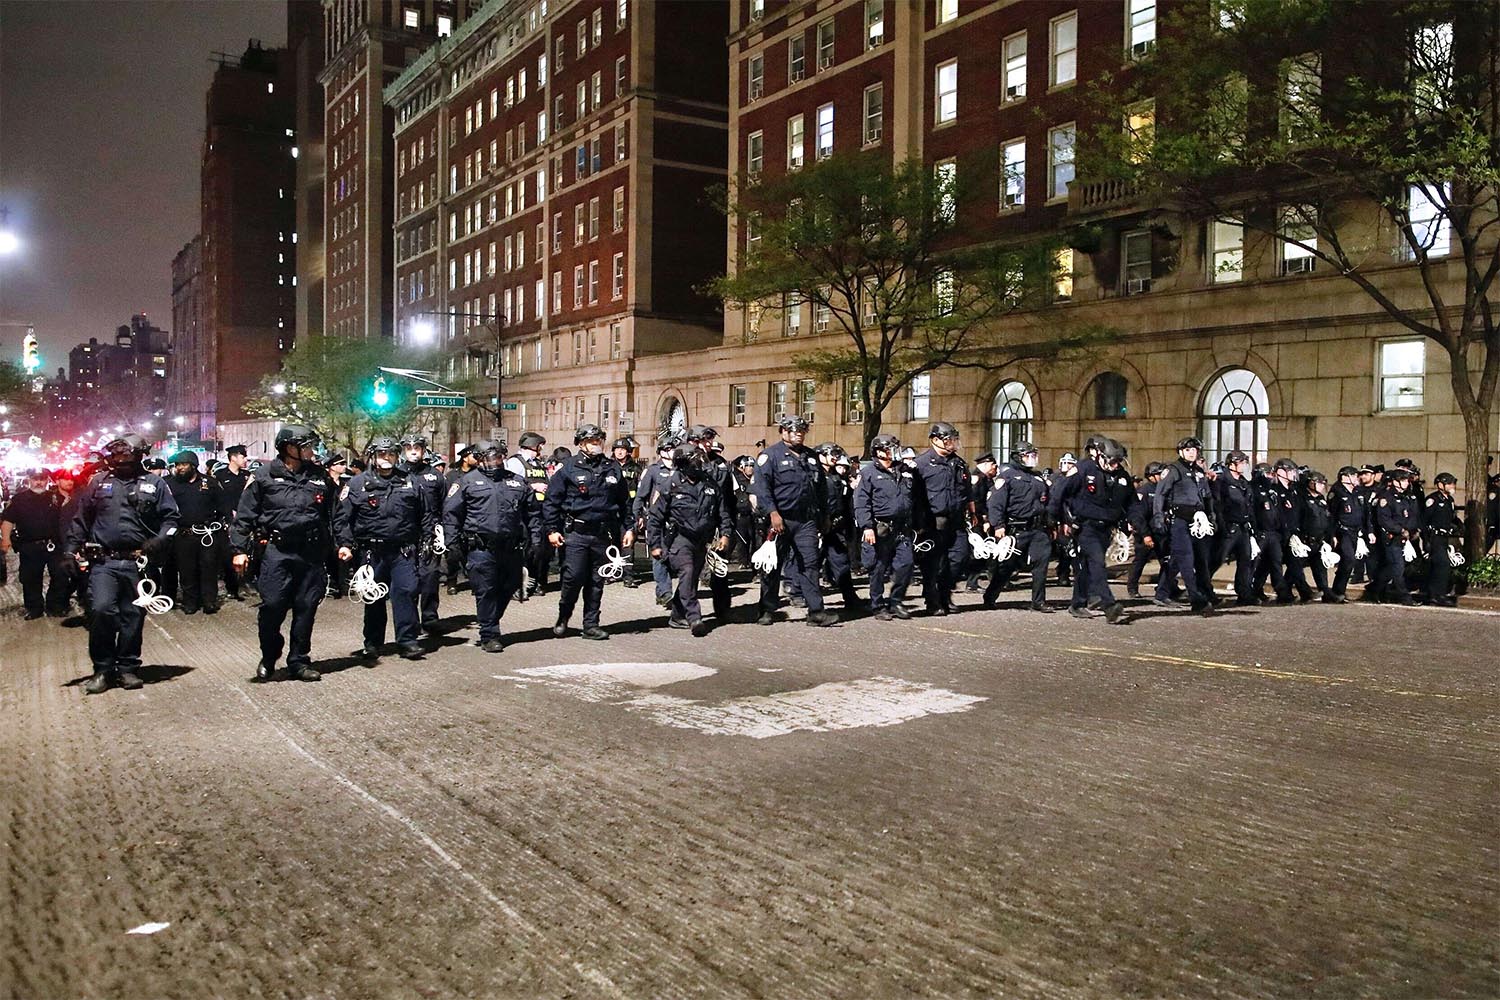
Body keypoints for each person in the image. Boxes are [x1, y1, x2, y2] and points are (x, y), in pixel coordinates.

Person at [65, 435, 181, 694]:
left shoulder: (155, 483)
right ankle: (103, 669)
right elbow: (80, 520)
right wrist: (69, 551)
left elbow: (171, 520)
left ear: (139, 455)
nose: (118, 461)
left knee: (132, 616)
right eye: (115, 456)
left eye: (124, 456)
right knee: (101, 610)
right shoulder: (98, 482)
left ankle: (127, 667)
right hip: (104, 562)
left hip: (137, 563)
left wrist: (159, 541)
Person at [231, 425, 336, 682]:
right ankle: (269, 655)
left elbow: (336, 514)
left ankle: (299, 661)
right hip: (277, 551)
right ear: (290, 448)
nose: (312, 451)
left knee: (306, 607)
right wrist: (239, 549)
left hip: (310, 553)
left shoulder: (320, 476)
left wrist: (343, 543)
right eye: (307, 446)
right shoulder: (264, 476)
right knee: (273, 605)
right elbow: (245, 515)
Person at [336, 437, 433, 662]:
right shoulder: (357, 483)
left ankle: (408, 641)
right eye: (381, 454)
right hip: (371, 552)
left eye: (390, 454)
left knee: (407, 592)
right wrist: (345, 544)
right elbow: (342, 518)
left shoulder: (410, 481)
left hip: (403, 551)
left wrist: (428, 539)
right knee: (373, 598)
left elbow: (425, 513)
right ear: (373, 456)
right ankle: (372, 643)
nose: (386, 458)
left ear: (396, 455)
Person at [444, 440, 541, 651]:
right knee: (486, 590)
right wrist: (451, 544)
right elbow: (451, 514)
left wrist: (536, 539)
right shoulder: (466, 482)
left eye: (497, 457)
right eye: (488, 458)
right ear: (479, 460)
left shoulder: (516, 481)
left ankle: (489, 618)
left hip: (511, 546)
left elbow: (532, 513)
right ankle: (489, 634)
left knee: (511, 585)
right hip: (481, 548)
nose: (493, 462)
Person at [543, 424, 635, 640]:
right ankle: (564, 616)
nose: (597, 445)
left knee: (596, 580)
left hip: (603, 534)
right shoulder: (568, 468)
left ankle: (591, 624)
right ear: (581, 443)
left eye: (599, 441)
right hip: (576, 533)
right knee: (573, 577)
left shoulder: (612, 468)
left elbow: (624, 502)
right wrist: (552, 530)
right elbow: (551, 502)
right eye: (592, 441)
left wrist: (629, 527)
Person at [752, 414, 837, 626]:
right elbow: (762, 489)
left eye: (801, 430)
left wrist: (824, 515)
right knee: (772, 566)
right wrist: (773, 513)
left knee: (809, 564)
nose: (798, 433)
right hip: (779, 519)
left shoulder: (810, 456)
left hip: (805, 521)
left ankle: (816, 611)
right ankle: (767, 610)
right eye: (793, 430)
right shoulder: (769, 456)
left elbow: (819, 489)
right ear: (782, 431)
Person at [648, 445, 728, 636]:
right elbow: (656, 517)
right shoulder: (670, 485)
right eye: (695, 460)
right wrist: (654, 544)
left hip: (701, 540)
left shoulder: (709, 484)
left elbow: (722, 513)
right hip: (679, 538)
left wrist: (725, 534)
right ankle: (694, 618)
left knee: (690, 580)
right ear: (683, 463)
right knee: (687, 571)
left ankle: (677, 615)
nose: (700, 463)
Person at [1048, 437, 1129, 623]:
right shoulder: (1084, 469)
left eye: (1118, 461)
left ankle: (1078, 603)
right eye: (1112, 461)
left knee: (1086, 566)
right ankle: (1109, 605)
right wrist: (1054, 519)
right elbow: (1060, 492)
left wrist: (1135, 525)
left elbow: (1131, 503)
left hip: (1106, 527)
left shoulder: (1121, 476)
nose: (1116, 465)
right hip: (1085, 526)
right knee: (1097, 561)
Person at [854, 435, 923, 619]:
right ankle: (877, 605)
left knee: (906, 565)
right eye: (889, 448)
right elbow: (861, 502)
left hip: (902, 528)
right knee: (877, 568)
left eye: (895, 448)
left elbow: (915, 498)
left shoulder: (905, 471)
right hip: (880, 528)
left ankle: (896, 601)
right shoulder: (868, 473)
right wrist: (867, 527)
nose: (894, 452)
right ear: (878, 452)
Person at [982, 442, 1052, 611]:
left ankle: (1038, 601)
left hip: (1037, 528)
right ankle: (990, 595)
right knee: (1007, 567)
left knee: (1041, 563)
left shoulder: (1037, 477)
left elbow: (1047, 502)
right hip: (1016, 528)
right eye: (1028, 456)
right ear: (1017, 457)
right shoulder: (1007, 477)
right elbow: (995, 503)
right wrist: (998, 525)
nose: (1032, 459)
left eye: (1033, 456)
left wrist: (1051, 523)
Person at [1151, 437, 1217, 612]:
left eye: (1194, 450)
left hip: (1197, 521)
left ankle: (1162, 592)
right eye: (1188, 450)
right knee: (1187, 559)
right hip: (1179, 520)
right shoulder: (1173, 470)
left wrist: (1212, 517)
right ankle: (1197, 599)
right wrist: (1158, 516)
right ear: (1181, 452)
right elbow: (1160, 494)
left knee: (1178, 559)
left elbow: (1207, 497)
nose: (1192, 453)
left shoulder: (1199, 472)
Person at [913, 422, 971, 616]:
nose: (953, 444)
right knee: (934, 565)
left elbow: (966, 491)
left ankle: (945, 595)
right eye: (949, 440)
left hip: (956, 520)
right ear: (935, 440)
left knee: (960, 558)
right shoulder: (920, 464)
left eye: (954, 440)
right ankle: (933, 600)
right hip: (933, 522)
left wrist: (972, 510)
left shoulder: (959, 463)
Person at [163, 450, 228, 615]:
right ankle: (190, 602)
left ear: (193, 465)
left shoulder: (210, 483)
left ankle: (209, 601)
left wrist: (219, 526)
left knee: (208, 568)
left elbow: (222, 507)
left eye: (184, 464)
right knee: (187, 570)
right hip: (183, 535)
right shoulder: (171, 484)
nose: (180, 468)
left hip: (207, 534)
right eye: (177, 465)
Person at [1, 470, 69, 619]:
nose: (39, 482)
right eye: (35, 479)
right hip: (29, 545)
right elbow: (8, 520)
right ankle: (34, 608)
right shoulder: (19, 499)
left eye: (42, 479)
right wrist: (6, 539)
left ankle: (55, 606)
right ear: (29, 479)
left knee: (60, 575)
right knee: (30, 578)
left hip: (54, 545)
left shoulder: (57, 498)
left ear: (47, 480)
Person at [684, 426, 736, 620]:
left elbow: (728, 497)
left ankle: (723, 609)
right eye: (704, 440)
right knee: (690, 569)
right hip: (690, 523)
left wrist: (728, 527)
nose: (708, 443)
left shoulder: (720, 464)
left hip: (716, 521)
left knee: (719, 566)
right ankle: (683, 610)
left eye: (709, 439)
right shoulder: (683, 462)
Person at [398, 434, 446, 632]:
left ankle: (429, 616)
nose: (413, 451)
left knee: (430, 577)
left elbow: (445, 505)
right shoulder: (396, 474)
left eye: (417, 447)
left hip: (429, 534)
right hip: (404, 534)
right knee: (407, 581)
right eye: (409, 447)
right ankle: (410, 622)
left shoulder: (435, 475)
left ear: (424, 450)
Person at [815, 442, 862, 610]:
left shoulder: (836, 476)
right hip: (816, 526)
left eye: (837, 454)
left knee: (841, 561)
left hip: (834, 527)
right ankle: (803, 596)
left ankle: (850, 598)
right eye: (831, 453)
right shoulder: (813, 474)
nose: (835, 457)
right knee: (810, 564)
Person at [633, 437, 679, 607]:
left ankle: (666, 592)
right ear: (660, 451)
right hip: (657, 520)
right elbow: (641, 496)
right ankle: (665, 592)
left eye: (673, 448)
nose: (671, 451)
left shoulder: (680, 469)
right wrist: (637, 515)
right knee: (659, 555)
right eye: (667, 448)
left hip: (676, 519)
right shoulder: (652, 471)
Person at [1211, 451, 1259, 604]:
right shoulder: (1222, 481)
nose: (1245, 466)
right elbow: (1218, 505)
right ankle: (1202, 589)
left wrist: (1253, 528)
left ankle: (1244, 593)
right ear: (1232, 464)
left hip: (1243, 527)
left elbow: (1249, 507)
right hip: (1228, 527)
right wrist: (1221, 526)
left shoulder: (1244, 482)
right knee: (1216, 559)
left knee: (1246, 561)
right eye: (1242, 463)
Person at [1372, 466, 1419, 605]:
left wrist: (1412, 530)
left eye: (1406, 480)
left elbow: (1413, 515)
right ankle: (1404, 597)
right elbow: (1384, 520)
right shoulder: (1386, 498)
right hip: (1392, 537)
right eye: (1403, 480)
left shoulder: (1408, 497)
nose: (1406, 483)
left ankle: (1375, 588)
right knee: (1398, 566)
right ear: (1395, 482)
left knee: (1394, 567)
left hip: (1406, 536)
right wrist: (1400, 530)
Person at [213, 444, 252, 600]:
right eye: (242, 456)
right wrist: (228, 513)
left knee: (247, 552)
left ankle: (244, 583)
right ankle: (231, 586)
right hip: (227, 520)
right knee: (229, 554)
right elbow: (218, 499)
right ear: (233, 457)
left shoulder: (247, 475)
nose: (245, 459)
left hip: (245, 520)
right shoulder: (220, 476)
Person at [1126, 461, 1167, 600]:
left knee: (1166, 562)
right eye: (1159, 474)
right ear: (1151, 476)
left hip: (1161, 532)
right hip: (1146, 532)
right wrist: (1145, 535)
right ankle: (1132, 587)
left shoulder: (1164, 489)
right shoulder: (1144, 492)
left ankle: (1167, 587)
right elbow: (1139, 516)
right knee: (1140, 560)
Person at [443, 444, 480, 594]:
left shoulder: (478, 474)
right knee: (452, 553)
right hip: (454, 519)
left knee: (471, 553)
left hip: (471, 519)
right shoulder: (452, 476)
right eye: (474, 456)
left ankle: (474, 581)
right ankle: (452, 580)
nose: (476, 459)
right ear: (465, 458)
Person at [1327, 465, 1366, 603]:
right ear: (1346, 477)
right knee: (1348, 560)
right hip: (1342, 532)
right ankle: (1337, 591)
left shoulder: (1357, 492)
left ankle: (1339, 590)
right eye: (1354, 475)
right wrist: (1332, 535)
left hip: (1355, 532)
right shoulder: (1336, 492)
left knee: (1349, 562)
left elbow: (1362, 513)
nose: (1357, 478)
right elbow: (1331, 516)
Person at [1422, 472, 1461, 606]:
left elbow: (1451, 519)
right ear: (1440, 485)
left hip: (1444, 537)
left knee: (1437, 566)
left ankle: (1433, 594)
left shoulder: (1449, 500)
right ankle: (1438, 594)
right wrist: (1426, 540)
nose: (1452, 486)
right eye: (1449, 483)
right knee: (1443, 565)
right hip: (1435, 537)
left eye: (1453, 483)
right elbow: (1424, 520)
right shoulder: (1433, 500)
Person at [611, 438, 644, 588]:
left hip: (630, 510)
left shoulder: (636, 469)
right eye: (617, 449)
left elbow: (642, 493)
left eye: (623, 449)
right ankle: (613, 571)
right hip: (611, 511)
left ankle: (628, 575)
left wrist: (641, 514)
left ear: (628, 451)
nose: (619, 451)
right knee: (612, 542)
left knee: (628, 543)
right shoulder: (609, 467)